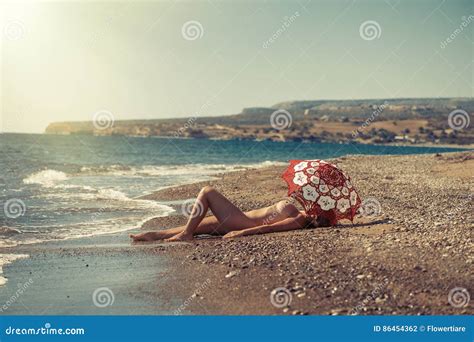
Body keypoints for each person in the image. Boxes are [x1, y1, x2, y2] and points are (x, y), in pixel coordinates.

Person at [130, 186, 330, 242]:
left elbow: (270, 227)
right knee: (191, 226)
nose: (315, 207)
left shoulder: (300, 218)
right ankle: (152, 235)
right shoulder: (300, 211)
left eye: (319, 211)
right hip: (236, 219)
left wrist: (241, 233)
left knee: (207, 192)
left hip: (239, 222)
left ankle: (186, 235)